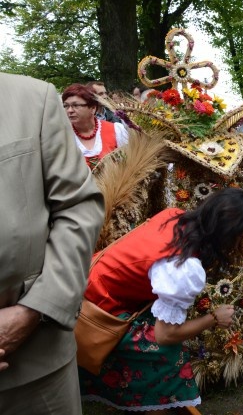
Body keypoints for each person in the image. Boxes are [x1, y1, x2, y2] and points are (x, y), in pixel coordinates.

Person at [79, 188, 243, 413]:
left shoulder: (175, 216)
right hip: (95, 308)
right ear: (226, 235)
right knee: (169, 354)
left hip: (89, 275)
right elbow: (165, 335)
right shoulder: (183, 268)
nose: (238, 247)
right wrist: (214, 317)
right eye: (239, 239)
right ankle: (152, 402)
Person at [0, 73, 104, 414]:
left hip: (34, 362)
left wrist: (35, 309)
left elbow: (77, 206)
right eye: (68, 104)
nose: (71, 110)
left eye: (78, 104)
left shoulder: (32, 99)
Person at [62, 83, 130, 168]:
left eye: (76, 105)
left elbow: (129, 163)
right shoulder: (62, 137)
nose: (70, 110)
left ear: (93, 108)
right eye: (66, 106)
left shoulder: (116, 130)